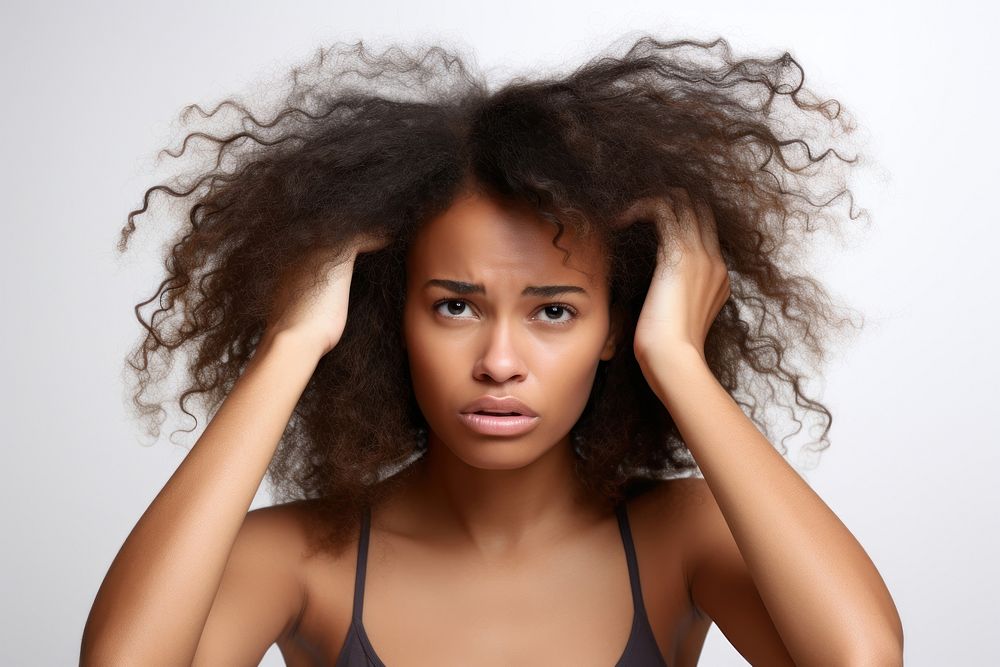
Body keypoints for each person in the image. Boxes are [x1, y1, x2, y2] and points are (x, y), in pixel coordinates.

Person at [81, 34, 903, 666]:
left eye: (552, 310)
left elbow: (861, 657)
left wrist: (679, 360)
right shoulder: (303, 556)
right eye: (455, 305)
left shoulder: (676, 538)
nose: (500, 361)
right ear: (389, 315)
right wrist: (291, 343)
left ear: (615, 325)